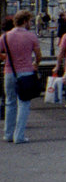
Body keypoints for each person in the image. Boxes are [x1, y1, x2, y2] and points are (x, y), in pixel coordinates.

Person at [3, 10, 42, 144]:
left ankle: (8, 133)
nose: (30, 23)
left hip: (9, 72)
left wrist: (7, 58)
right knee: (24, 103)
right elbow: (38, 55)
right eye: (30, 21)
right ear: (25, 21)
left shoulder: (5, 37)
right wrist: (35, 64)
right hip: (26, 72)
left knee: (10, 102)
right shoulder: (31, 36)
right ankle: (19, 135)